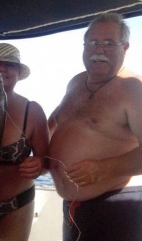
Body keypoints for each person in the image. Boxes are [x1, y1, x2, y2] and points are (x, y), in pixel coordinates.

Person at [49, 12, 142, 241]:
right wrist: (40, 160)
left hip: (114, 208)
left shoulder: (133, 89)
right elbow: (52, 124)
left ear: (125, 47)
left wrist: (103, 168)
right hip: (73, 209)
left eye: (109, 43)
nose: (99, 50)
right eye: (92, 42)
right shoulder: (76, 82)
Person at [0, 43, 49, 241]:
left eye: (10, 65)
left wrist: (40, 163)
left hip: (17, 204)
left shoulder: (32, 111)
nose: (2, 68)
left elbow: (47, 161)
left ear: (18, 73)